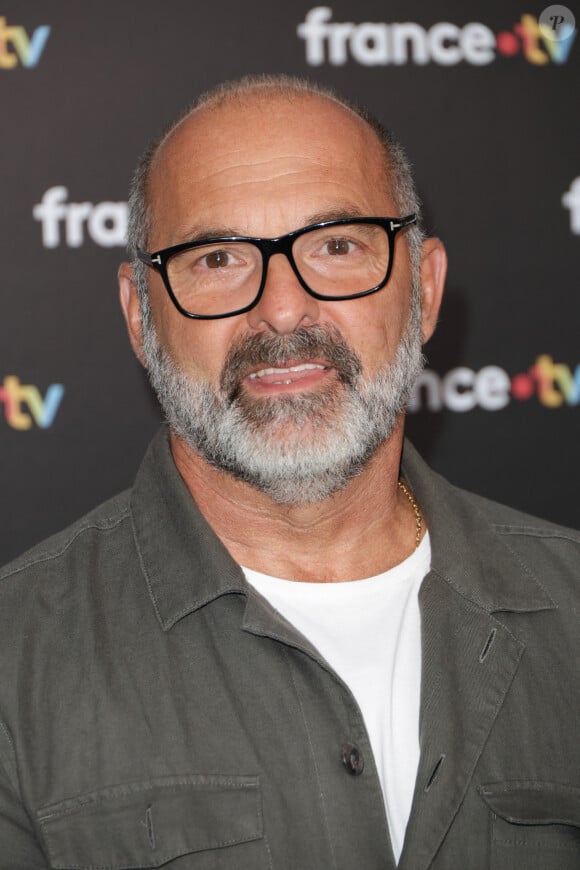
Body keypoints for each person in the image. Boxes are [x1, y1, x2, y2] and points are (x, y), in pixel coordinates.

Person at [0, 74, 579, 870]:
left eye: (337, 246)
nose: (280, 309)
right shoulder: (15, 663)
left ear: (426, 289)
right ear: (141, 317)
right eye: (218, 257)